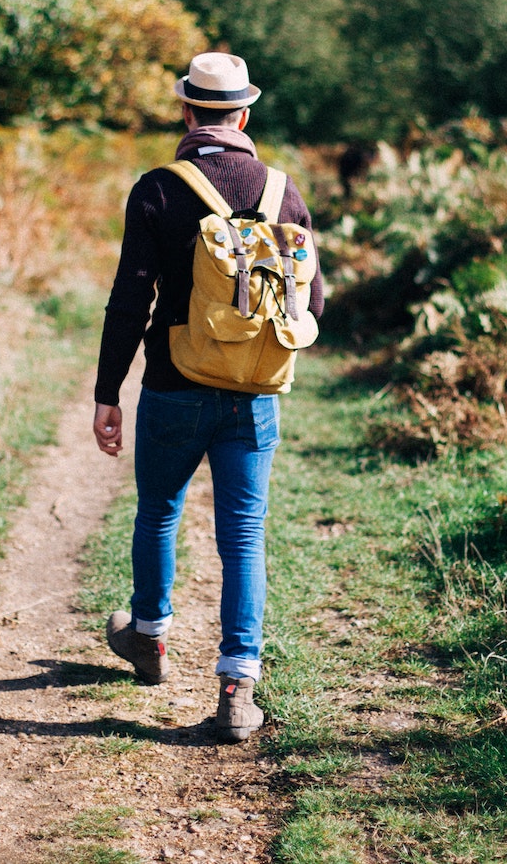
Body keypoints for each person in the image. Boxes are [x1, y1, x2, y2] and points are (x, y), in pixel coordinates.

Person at [91, 51, 324, 742]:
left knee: (158, 512)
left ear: (187, 112)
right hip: (253, 395)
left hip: (172, 384)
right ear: (244, 115)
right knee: (243, 534)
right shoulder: (283, 190)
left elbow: (130, 300)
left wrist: (109, 392)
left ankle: (149, 640)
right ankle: (236, 688)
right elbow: (312, 298)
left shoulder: (159, 188)